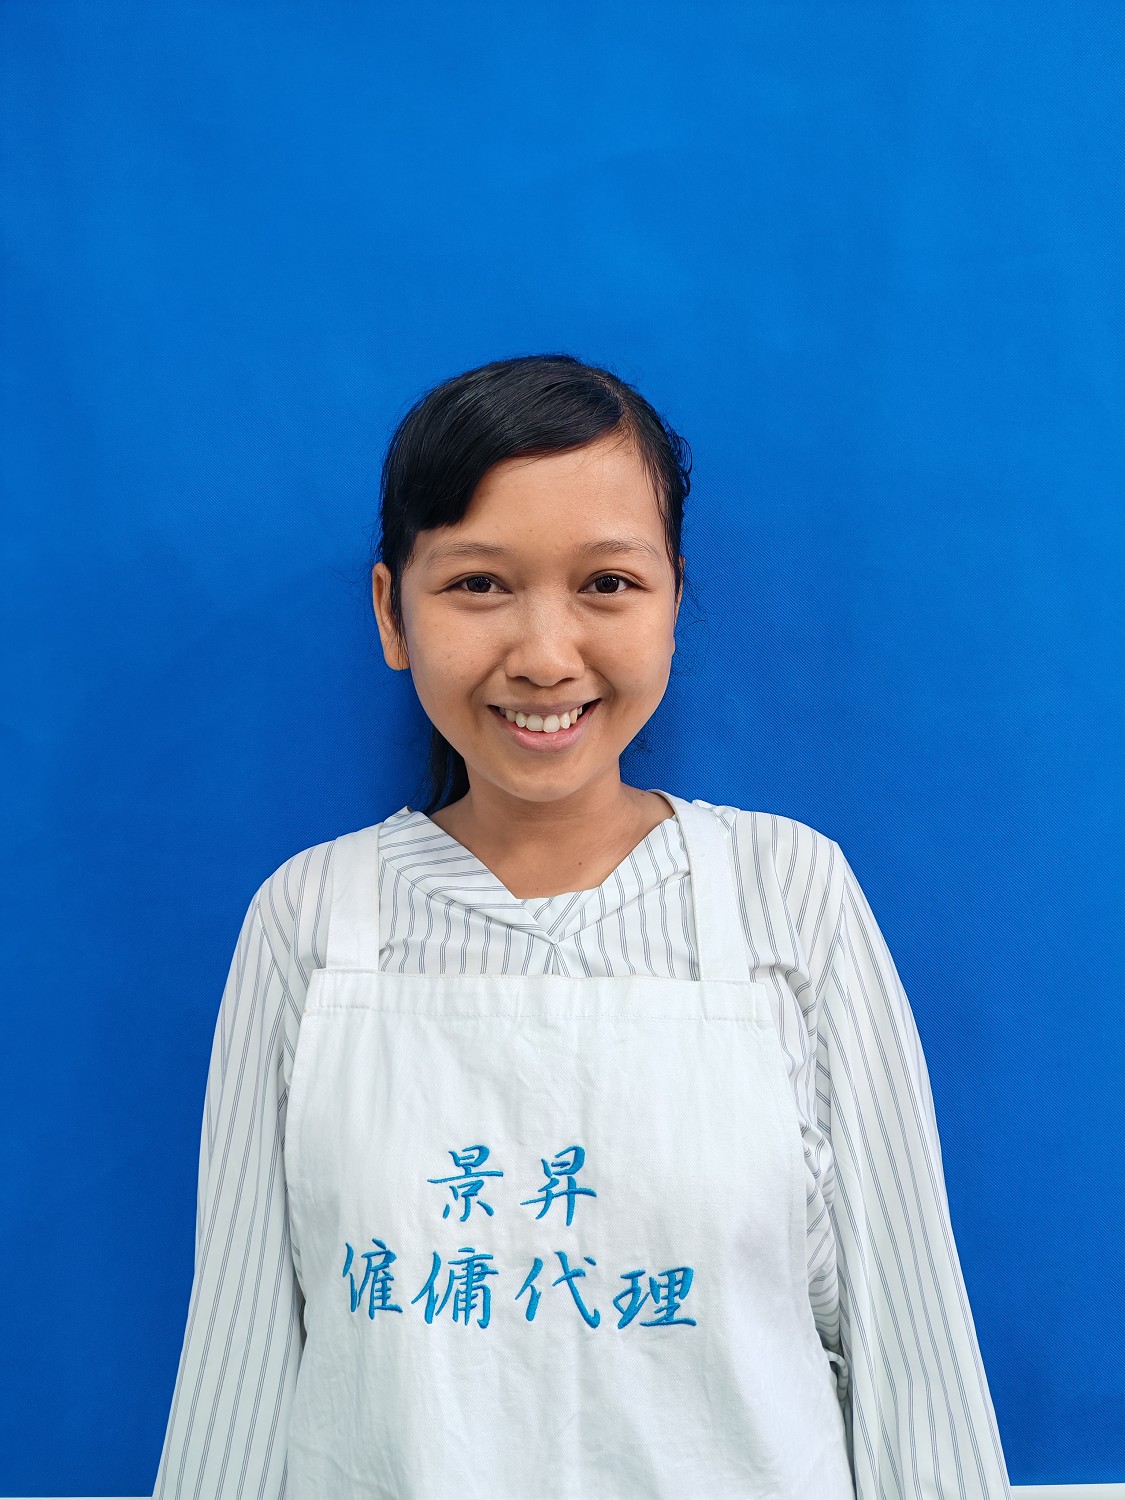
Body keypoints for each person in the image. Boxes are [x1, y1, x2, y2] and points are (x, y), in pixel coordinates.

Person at [153, 353, 1011, 1499]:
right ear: (392, 612)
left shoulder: (788, 894)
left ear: (673, 601)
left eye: (607, 583)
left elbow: (911, 1346)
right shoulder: (309, 921)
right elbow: (242, 1360)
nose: (546, 656)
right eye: (479, 585)